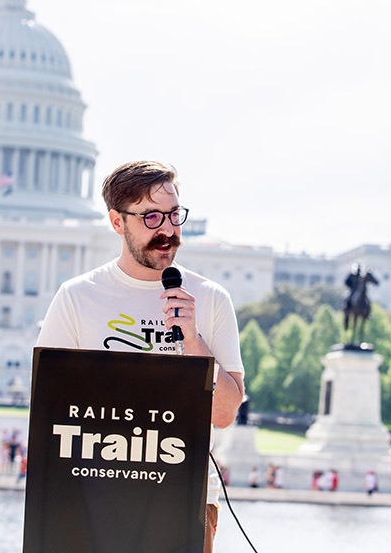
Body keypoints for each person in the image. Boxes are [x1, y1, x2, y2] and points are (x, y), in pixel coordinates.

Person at [35, 160, 245, 553]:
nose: (167, 229)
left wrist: (192, 340)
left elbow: (225, 413)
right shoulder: (77, 296)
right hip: (94, 497)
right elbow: (48, 406)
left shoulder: (212, 299)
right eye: (150, 217)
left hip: (185, 499)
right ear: (118, 222)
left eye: (173, 215)